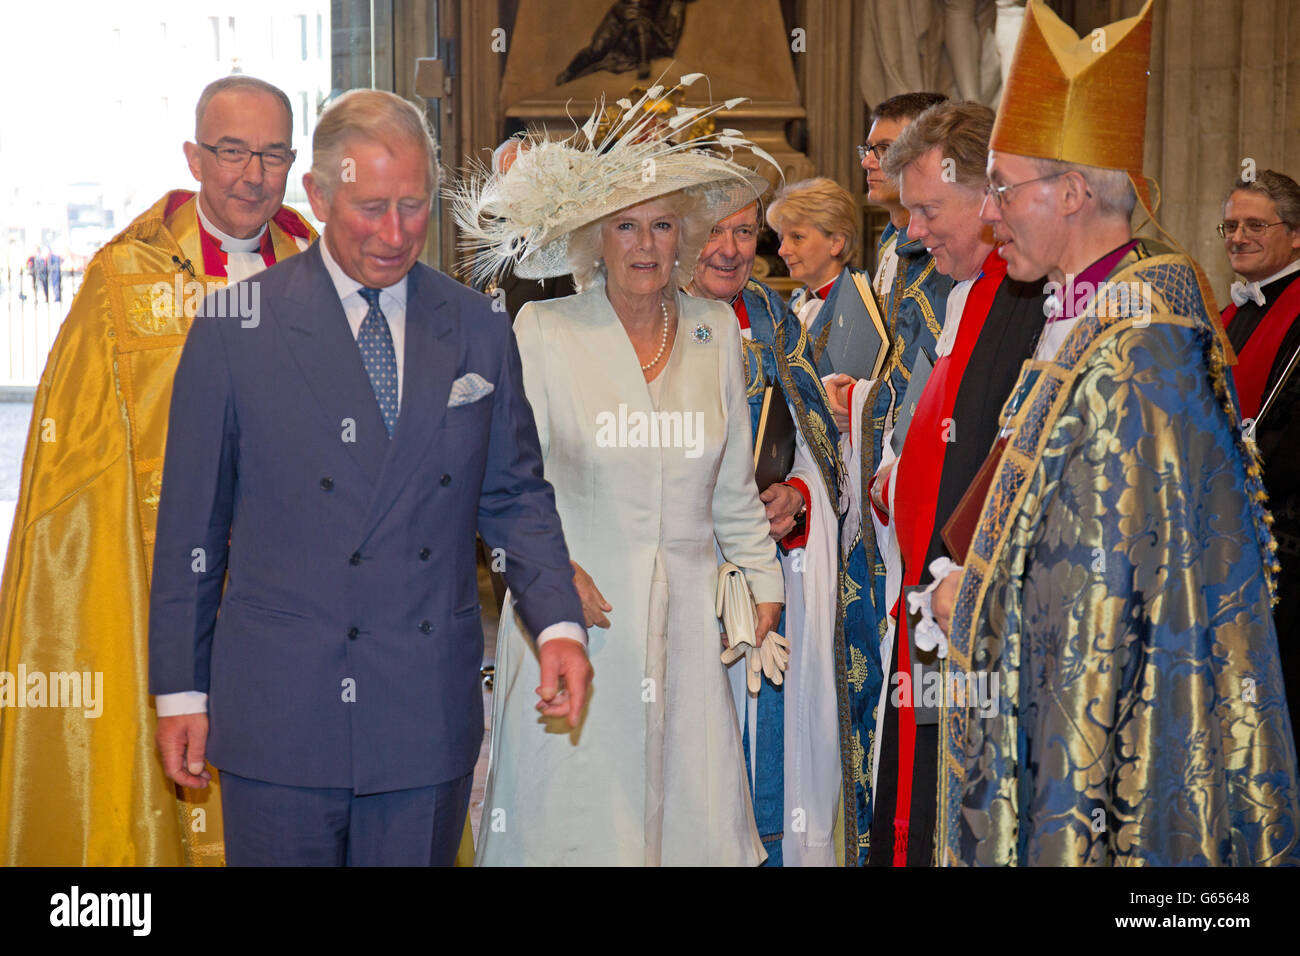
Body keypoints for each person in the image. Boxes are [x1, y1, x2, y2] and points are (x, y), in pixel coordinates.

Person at [148, 88, 590, 867]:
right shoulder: (234, 329)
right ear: (317, 196)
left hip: (422, 712)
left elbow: (515, 493)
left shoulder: (478, 328)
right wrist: (181, 692)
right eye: (371, 207)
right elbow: (192, 528)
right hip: (282, 714)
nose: (395, 235)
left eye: (414, 206)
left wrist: (556, 622)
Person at [932, 0, 1299, 864]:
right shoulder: (1089, 316)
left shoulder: (1138, 347)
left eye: (1003, 187)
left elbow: (1104, 587)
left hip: (1122, 727)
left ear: (1071, 192)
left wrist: (971, 598)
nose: (990, 213)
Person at [458, 81, 784, 865]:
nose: (645, 245)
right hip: (575, 622)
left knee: (688, 828)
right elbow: (498, 482)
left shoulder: (715, 330)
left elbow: (732, 483)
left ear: (686, 236)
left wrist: (763, 582)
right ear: (594, 240)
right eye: (626, 226)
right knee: (574, 830)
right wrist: (550, 572)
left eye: (663, 226)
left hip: (687, 634)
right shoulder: (545, 329)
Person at [0, 75, 315, 866]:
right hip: (174, 584)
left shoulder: (323, 264)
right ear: (194, 157)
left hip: (302, 595)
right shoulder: (123, 281)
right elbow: (73, 466)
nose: (252, 175)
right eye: (233, 151)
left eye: (272, 154)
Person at [864, 101, 1045, 866]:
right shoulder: (970, 289)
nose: (913, 232)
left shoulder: (1031, 300)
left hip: (975, 622)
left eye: (928, 209)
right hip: (929, 620)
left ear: (990, 193)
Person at [689, 199, 844, 865]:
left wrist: (798, 495)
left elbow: (815, 442)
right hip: (681, 573)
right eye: (712, 231)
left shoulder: (774, 318)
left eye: (746, 231)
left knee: (766, 757)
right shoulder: (639, 312)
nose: (730, 248)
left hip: (767, 577)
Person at [1220, 169, 1300, 757]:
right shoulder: (1228, 314)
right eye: (1230, 225)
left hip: (1283, 552)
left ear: (1295, 236)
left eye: (1255, 224)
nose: (1238, 236)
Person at [859, 92, 947, 299]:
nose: (867, 162)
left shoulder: (947, 252)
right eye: (868, 149)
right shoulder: (889, 245)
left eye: (884, 148)